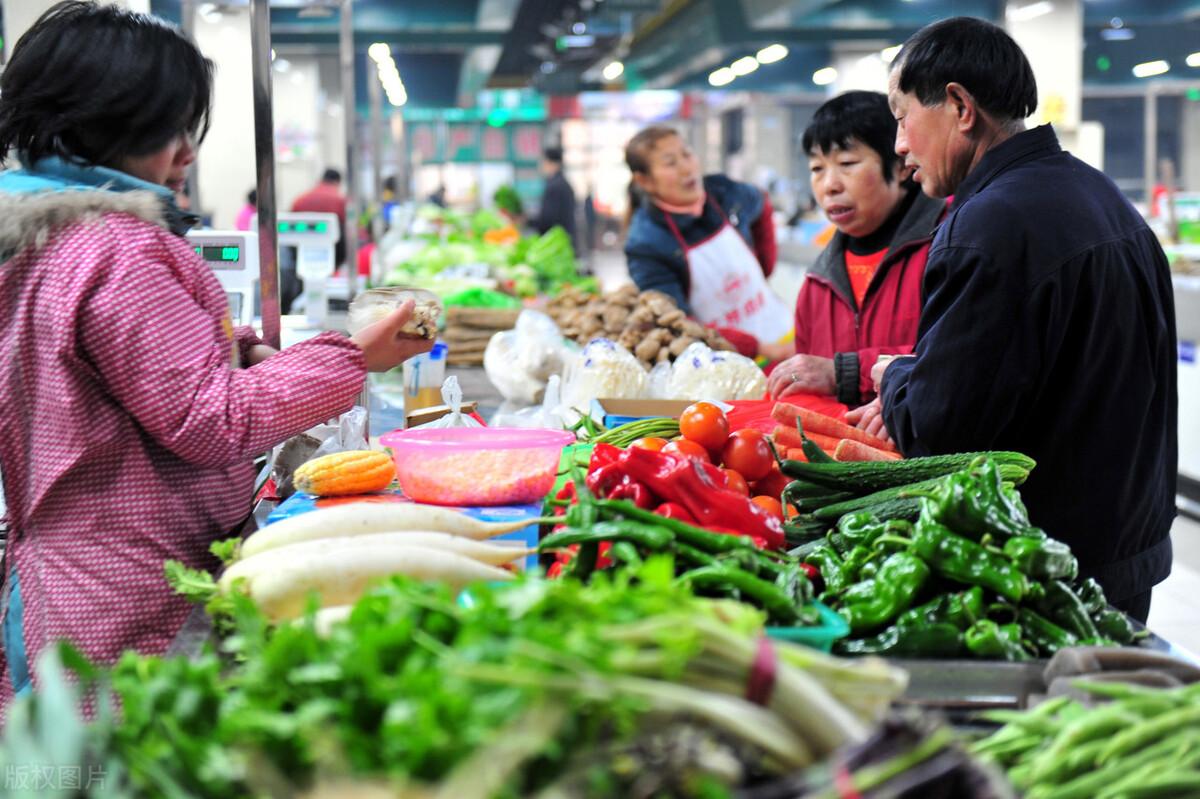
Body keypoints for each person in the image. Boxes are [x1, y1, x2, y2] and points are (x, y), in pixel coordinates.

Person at [0, 1, 432, 713]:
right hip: (137, 587)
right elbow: (212, 421)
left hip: (62, 575)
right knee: (137, 759)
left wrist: (223, 344)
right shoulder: (119, 247)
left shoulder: (37, 236)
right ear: (111, 122)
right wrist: (353, 356)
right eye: (172, 128)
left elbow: (78, 358)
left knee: (68, 759)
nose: (188, 152)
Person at [847, 17, 1176, 621]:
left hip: (1043, 565)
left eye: (900, 117)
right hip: (1128, 548)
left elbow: (937, 432)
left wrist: (895, 377)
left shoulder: (987, 227)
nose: (899, 145)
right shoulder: (1099, 194)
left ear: (958, 107)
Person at [768, 91, 946, 406]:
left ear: (901, 165)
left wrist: (844, 373)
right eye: (816, 169)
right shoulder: (817, 283)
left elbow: (958, 359)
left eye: (847, 164)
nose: (829, 185)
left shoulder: (947, 246)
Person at [623, 125, 791, 360]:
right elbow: (675, 320)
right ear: (645, 181)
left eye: (687, 154)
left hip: (782, 331)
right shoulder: (646, 243)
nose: (687, 168)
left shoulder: (723, 191)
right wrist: (758, 348)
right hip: (726, 360)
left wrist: (765, 265)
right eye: (670, 163)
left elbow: (761, 202)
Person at [292, 167, 348, 266]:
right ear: (337, 182)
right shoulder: (339, 199)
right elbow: (347, 223)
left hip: (303, 247)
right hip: (332, 250)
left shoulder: (301, 199)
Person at [532, 145, 577, 250]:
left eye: (543, 161)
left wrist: (527, 221)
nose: (541, 165)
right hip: (565, 241)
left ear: (550, 162)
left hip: (556, 245)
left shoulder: (554, 187)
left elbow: (548, 220)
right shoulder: (565, 184)